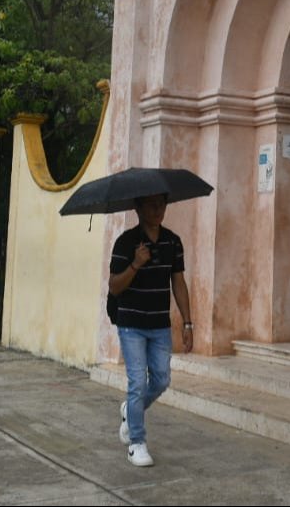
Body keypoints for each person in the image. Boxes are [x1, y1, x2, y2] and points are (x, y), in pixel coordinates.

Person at [106, 193, 193, 467]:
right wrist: (136, 263)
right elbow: (114, 286)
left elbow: (178, 282)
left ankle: (130, 411)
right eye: (152, 204)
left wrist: (188, 322)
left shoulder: (172, 242)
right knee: (137, 383)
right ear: (138, 207)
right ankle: (136, 443)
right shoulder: (125, 242)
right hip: (131, 324)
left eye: (162, 204)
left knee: (162, 379)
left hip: (159, 325)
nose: (158, 209)